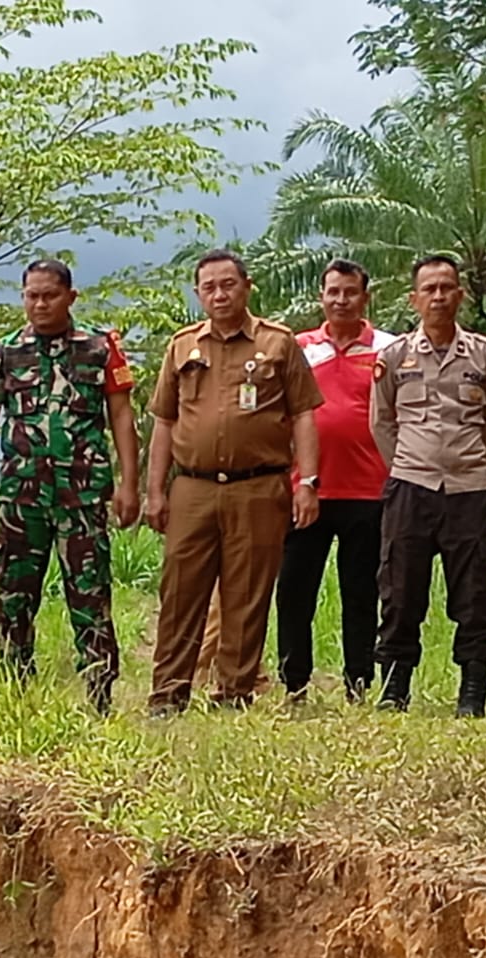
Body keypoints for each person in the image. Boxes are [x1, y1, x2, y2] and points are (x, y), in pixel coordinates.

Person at [144, 249, 324, 714]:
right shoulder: (182, 346)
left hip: (259, 486)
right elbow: (163, 422)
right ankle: (168, 694)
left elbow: (303, 414)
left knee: (247, 594)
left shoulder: (279, 343)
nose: (219, 294)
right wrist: (154, 491)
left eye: (228, 284)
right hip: (193, 488)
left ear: (247, 287)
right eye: (209, 287)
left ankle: (234, 693)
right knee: (181, 590)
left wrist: (307, 482)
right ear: (198, 294)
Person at [0, 259, 140, 714]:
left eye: (49, 295)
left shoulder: (100, 350)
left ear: (70, 297)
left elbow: (121, 417)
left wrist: (128, 484)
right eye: (31, 295)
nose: (40, 304)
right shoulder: (2, 354)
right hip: (22, 499)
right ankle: (16, 693)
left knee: (91, 595)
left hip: (81, 498)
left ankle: (99, 696)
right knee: (14, 595)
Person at [369, 254, 486, 717]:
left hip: (467, 489)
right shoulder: (393, 358)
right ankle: (393, 688)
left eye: (447, 287)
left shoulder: (485, 356)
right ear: (414, 299)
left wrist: (469, 465)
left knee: (473, 593)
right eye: (428, 289)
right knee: (401, 590)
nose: (438, 297)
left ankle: (472, 695)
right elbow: (382, 423)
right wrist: (411, 465)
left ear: (461, 295)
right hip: (410, 485)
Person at [273, 258, 395, 702]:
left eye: (350, 292)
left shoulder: (389, 348)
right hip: (306, 491)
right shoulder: (298, 347)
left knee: (361, 594)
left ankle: (358, 683)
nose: (341, 300)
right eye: (333, 292)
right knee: (293, 592)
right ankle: (293, 684)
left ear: (365, 297)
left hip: (371, 492)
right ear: (321, 296)